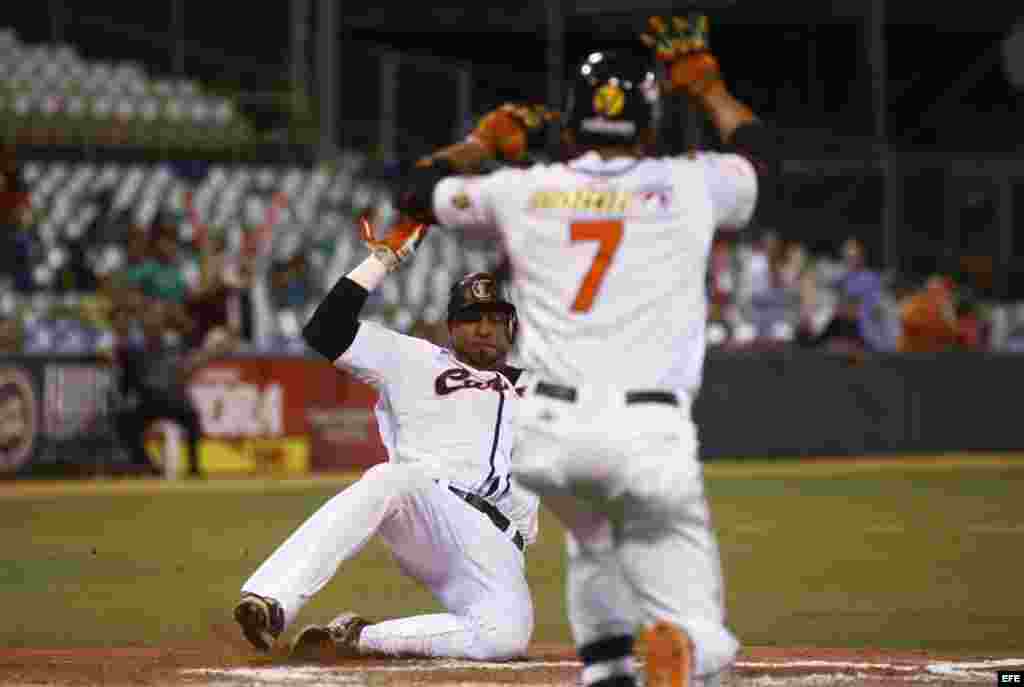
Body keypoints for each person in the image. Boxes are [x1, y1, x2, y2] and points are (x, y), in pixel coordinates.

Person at [389, 14, 771, 687]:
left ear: (571, 118)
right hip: (648, 425)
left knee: (593, 540)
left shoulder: (526, 189)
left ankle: (606, 666)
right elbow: (759, 160)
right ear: (651, 118)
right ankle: (687, 646)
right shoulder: (690, 183)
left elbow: (416, 193)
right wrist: (707, 88)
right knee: (693, 608)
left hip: (553, 429)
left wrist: (485, 142)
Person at [232, 233, 539, 662]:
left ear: (511, 326)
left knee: (504, 638)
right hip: (425, 507)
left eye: (494, 317)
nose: (484, 328)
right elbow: (324, 330)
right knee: (390, 479)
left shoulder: (543, 390)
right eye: (471, 318)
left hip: (499, 545)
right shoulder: (413, 358)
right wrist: (380, 261)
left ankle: (359, 637)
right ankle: (272, 601)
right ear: (451, 327)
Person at [108, 300, 228, 477]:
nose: (153, 322)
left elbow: (188, 365)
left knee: (192, 417)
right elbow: (125, 378)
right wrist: (126, 398)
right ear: (142, 322)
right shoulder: (131, 347)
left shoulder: (176, 342)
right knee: (124, 425)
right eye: (149, 318)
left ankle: (194, 468)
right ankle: (149, 466)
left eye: (157, 318)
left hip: (174, 399)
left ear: (163, 322)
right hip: (148, 400)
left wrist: (208, 355)